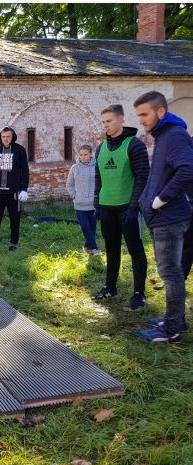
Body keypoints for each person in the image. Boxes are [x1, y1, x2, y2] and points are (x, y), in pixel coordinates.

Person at [134, 91, 193, 343]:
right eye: (138, 115)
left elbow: (188, 169)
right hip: (162, 218)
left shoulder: (174, 136)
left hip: (170, 217)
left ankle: (172, 330)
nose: (141, 120)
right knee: (173, 271)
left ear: (160, 112)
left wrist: (160, 200)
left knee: (171, 273)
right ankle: (175, 319)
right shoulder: (164, 136)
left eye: (145, 114)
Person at [93, 104, 149, 310]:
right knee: (111, 249)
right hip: (107, 208)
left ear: (121, 119)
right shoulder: (101, 148)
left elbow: (143, 177)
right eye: (103, 122)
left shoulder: (134, 145)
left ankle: (139, 293)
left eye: (109, 121)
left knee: (136, 250)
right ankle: (110, 287)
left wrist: (134, 208)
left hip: (128, 208)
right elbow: (98, 177)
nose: (106, 125)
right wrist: (97, 204)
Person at [0, 126, 30, 251]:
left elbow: (25, 171)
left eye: (8, 136)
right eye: (3, 137)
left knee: (15, 218)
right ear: (1, 138)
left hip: (14, 192)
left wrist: (24, 189)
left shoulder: (20, 150)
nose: (5, 139)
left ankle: (13, 243)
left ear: (13, 137)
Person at [66, 144, 100, 256]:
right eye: (81, 155)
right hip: (79, 204)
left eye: (85, 154)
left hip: (93, 204)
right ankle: (95, 249)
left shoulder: (97, 167)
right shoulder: (74, 168)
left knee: (92, 228)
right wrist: (74, 196)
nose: (83, 157)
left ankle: (87, 247)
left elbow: (101, 183)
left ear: (91, 154)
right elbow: (69, 185)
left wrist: (97, 197)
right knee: (85, 228)